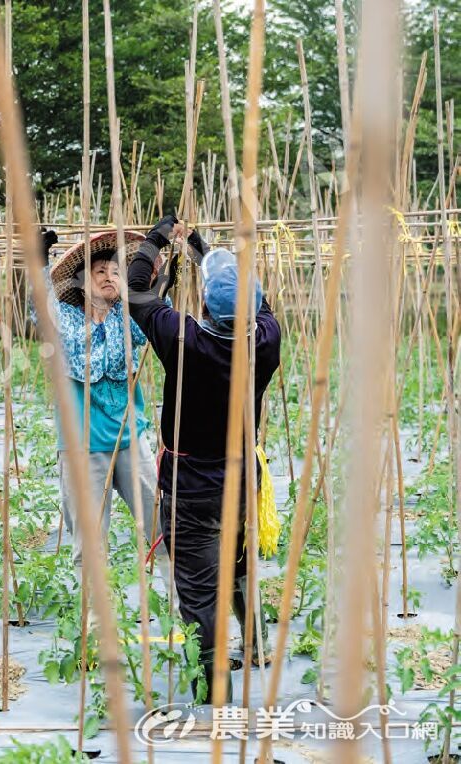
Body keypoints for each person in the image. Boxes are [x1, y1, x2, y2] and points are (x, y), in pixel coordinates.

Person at [125, 214, 282, 703]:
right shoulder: (266, 339)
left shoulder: (183, 339)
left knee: (198, 593)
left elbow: (137, 290)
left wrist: (157, 238)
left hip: (192, 488)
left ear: (207, 307)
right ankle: (254, 643)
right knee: (235, 565)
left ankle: (215, 696)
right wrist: (199, 247)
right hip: (241, 481)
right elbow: (255, 300)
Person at [33, 227, 174, 600]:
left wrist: (161, 271)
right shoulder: (65, 319)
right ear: (82, 282)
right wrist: (39, 263)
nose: (110, 278)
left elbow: (159, 312)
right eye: (100, 273)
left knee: (161, 530)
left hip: (130, 441)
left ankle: (183, 612)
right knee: (91, 545)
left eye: (115, 273)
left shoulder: (128, 318)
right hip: (82, 448)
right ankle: (95, 626)